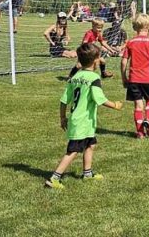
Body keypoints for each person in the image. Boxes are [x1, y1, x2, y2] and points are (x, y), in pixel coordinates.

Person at [45, 43, 123, 190]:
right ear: (95, 61)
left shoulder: (75, 77)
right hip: (82, 121)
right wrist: (115, 105)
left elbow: (64, 100)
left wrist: (62, 117)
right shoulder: (94, 78)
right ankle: (54, 178)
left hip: (82, 121)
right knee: (73, 151)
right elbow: (99, 99)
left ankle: (87, 173)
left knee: (90, 144)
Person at [121, 13, 149, 139]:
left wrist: (124, 77)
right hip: (147, 78)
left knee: (138, 106)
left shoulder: (130, 42)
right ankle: (148, 120)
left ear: (135, 27)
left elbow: (124, 61)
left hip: (134, 79)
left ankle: (140, 132)